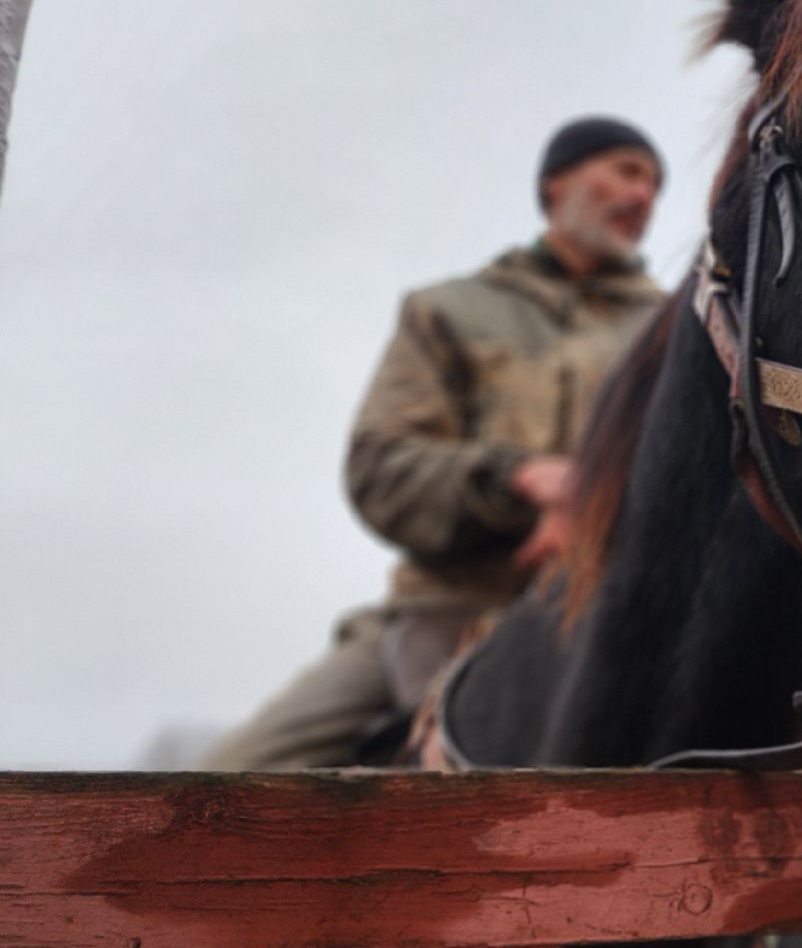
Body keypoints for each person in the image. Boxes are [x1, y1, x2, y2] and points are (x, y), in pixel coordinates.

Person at [203, 117, 670, 770]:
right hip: (444, 607)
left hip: (614, 617)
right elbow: (381, 466)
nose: (643, 195)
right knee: (225, 785)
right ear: (555, 183)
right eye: (625, 170)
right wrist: (518, 478)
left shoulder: (672, 333)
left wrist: (592, 506)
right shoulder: (448, 310)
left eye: (653, 183)